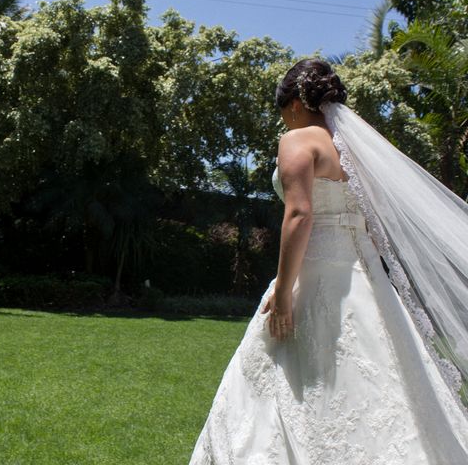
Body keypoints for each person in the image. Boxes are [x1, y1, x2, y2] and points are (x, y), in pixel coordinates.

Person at [188, 58, 468, 464]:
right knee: (385, 382)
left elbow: (300, 214)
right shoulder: (354, 151)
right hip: (363, 280)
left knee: (286, 379)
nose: (285, 122)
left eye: (284, 114)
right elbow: (371, 222)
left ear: (296, 106)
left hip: (314, 271)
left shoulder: (297, 141)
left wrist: (283, 290)